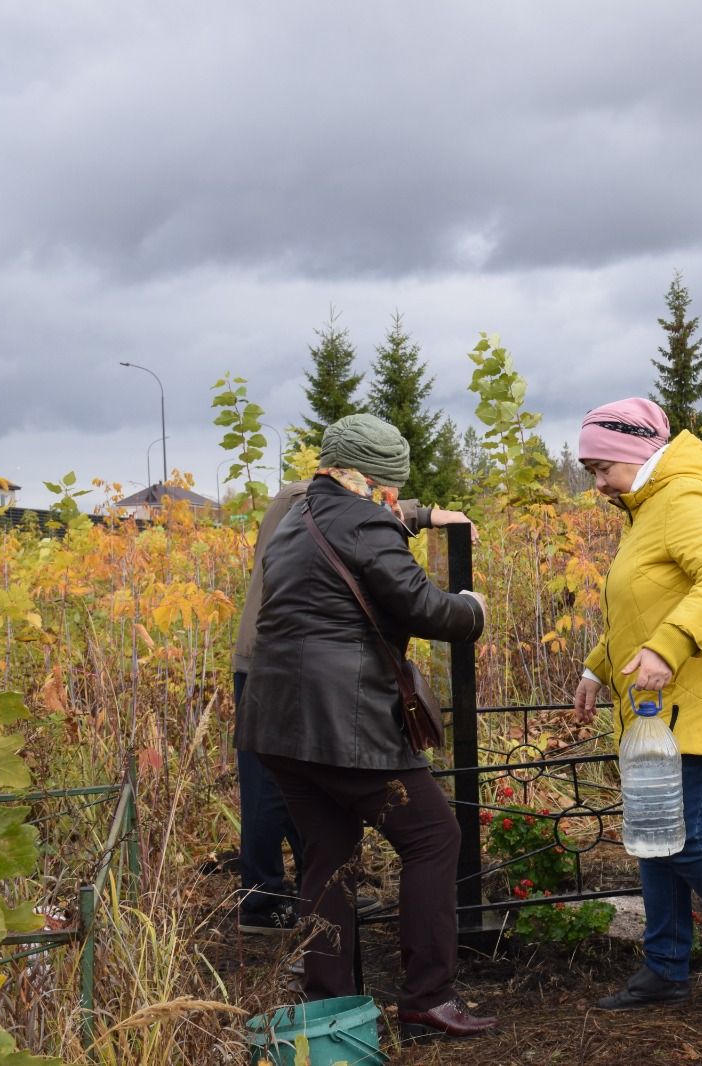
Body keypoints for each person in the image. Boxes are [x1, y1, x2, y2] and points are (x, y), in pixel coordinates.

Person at [234, 414, 495, 1040]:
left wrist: (417, 517)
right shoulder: (367, 520)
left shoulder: (296, 515)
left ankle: (333, 1003)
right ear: (378, 477)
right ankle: (428, 1000)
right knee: (433, 837)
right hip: (345, 729)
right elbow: (421, 605)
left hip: (276, 726)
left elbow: (363, 549)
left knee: (329, 857)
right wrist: (472, 611)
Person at [569, 398, 702, 1011]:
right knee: (651, 836)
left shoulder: (685, 498)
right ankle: (665, 967)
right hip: (660, 711)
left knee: (684, 836)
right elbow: (645, 608)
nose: (598, 485)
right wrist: (596, 667)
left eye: (600, 468)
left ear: (635, 453)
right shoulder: (647, 509)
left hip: (699, 706)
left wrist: (669, 647)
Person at [231, 481, 481, 934]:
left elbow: (368, 518)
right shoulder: (307, 501)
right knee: (272, 796)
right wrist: (469, 610)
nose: (389, 492)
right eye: (384, 481)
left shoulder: (318, 501)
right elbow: (367, 534)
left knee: (322, 828)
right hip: (287, 667)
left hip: (285, 665)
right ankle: (263, 900)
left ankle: (322, 934)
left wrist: (426, 514)